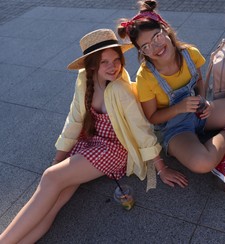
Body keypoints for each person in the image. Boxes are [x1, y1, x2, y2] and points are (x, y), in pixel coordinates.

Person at [0, 29, 187, 243]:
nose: (113, 66)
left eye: (116, 59)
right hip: (88, 142)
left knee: (51, 178)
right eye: (104, 62)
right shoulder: (84, 80)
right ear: (91, 65)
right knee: (55, 201)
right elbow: (74, 119)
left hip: (113, 149)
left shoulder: (120, 90)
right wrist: (58, 159)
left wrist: (161, 168)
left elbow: (141, 130)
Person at [117, 0, 225, 194]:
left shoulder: (190, 53)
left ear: (165, 29)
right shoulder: (145, 77)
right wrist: (179, 108)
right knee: (202, 164)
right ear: (141, 52)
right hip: (176, 129)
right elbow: (151, 118)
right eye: (146, 46)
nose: (155, 47)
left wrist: (204, 101)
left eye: (156, 37)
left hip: (200, 113)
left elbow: (199, 81)